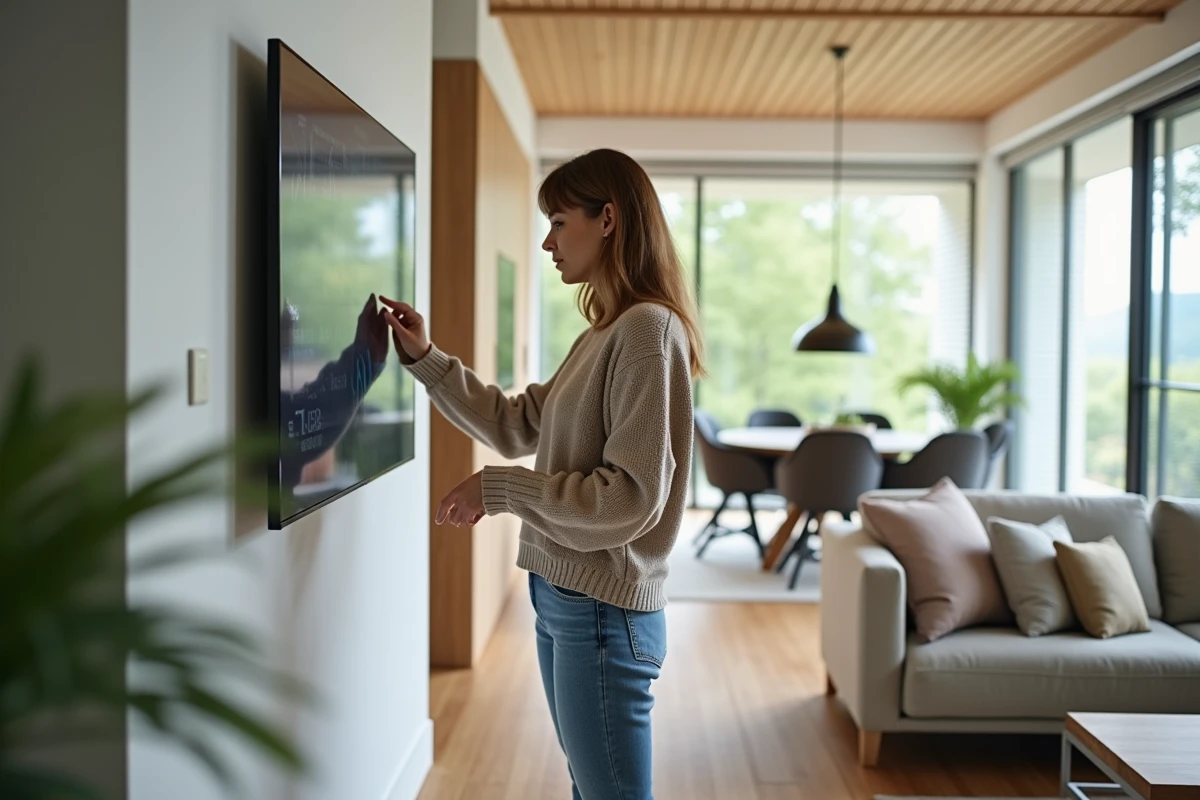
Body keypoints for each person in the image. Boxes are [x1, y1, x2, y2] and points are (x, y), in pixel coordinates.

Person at [380, 148, 704, 800]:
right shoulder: (604, 333)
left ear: (607, 219)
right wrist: (426, 358)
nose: (548, 242)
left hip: (602, 611)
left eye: (558, 222)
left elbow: (630, 498)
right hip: (565, 596)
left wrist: (498, 488)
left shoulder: (647, 331)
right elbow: (516, 422)